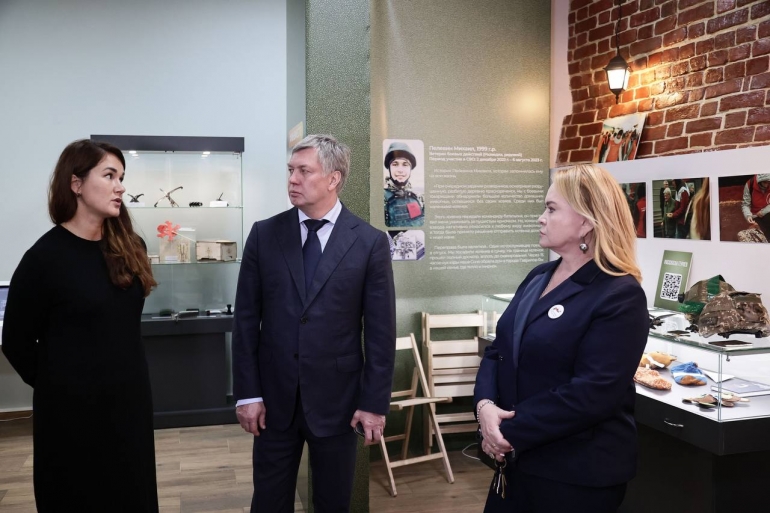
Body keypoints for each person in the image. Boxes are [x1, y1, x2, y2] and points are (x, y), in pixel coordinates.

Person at [232, 134, 396, 513]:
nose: (292, 179)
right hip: (273, 402)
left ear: (333, 178)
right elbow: (246, 322)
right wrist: (248, 394)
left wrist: (374, 403)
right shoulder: (264, 235)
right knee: (269, 502)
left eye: (304, 171)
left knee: (332, 503)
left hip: (339, 403)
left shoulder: (369, 242)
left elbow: (381, 333)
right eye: (291, 170)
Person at [474, 164, 648, 513]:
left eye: (551, 209)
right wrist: (484, 408)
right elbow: (498, 351)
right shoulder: (538, 276)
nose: (541, 218)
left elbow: (593, 392)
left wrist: (506, 432)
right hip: (517, 462)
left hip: (575, 473)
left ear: (586, 222)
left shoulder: (619, 294)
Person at [1, 140, 159, 512]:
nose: (120, 187)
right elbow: (16, 341)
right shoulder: (44, 258)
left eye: (121, 177)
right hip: (71, 416)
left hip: (129, 405)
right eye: (109, 176)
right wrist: (61, 385)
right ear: (76, 184)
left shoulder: (130, 246)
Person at [383, 141, 425, 227]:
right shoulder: (381, 198)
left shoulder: (419, 198)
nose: (400, 170)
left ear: (410, 169)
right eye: (395, 164)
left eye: (405, 165)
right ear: (389, 168)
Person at [741, 174, 770, 241]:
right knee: (759, 233)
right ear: (759, 181)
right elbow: (745, 204)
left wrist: (763, 211)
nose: (767, 185)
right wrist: (748, 215)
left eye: (768, 182)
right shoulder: (750, 184)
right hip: (755, 215)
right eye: (764, 182)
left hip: (767, 211)